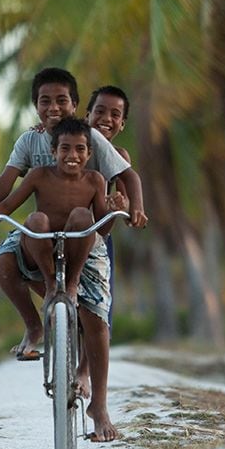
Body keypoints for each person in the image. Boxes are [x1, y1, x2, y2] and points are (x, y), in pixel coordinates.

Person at [0, 67, 148, 362]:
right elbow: (6, 183)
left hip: (88, 233)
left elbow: (128, 178)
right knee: (6, 259)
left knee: (97, 315)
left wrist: (131, 208)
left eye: (61, 101)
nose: (53, 108)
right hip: (45, 232)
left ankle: (84, 374)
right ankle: (38, 321)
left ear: (74, 106)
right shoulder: (31, 141)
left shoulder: (92, 140)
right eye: (45, 101)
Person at [0, 117, 123, 441]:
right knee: (35, 218)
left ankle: (100, 407)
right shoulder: (38, 175)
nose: (72, 155)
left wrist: (111, 210)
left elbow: (101, 231)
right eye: (65, 148)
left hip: (81, 244)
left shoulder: (95, 180)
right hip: (43, 242)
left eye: (80, 149)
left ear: (89, 152)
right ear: (52, 151)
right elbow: (10, 203)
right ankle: (52, 287)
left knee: (84, 217)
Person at [85, 85, 131, 332]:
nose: (106, 119)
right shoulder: (68, 143)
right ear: (86, 115)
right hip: (63, 231)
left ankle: (84, 368)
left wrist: (123, 205)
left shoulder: (118, 154)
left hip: (98, 236)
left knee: (99, 309)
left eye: (115, 115)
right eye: (99, 111)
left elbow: (125, 194)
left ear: (122, 124)